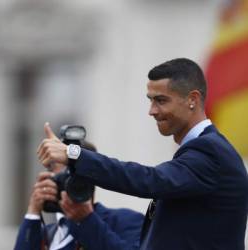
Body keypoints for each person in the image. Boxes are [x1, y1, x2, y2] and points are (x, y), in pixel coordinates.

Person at [37, 58, 248, 250]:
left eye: (161, 100)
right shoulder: (199, 152)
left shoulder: (209, 152)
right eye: (151, 100)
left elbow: (148, 180)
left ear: (192, 99)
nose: (152, 111)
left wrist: (73, 153)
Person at [14, 140, 144, 250]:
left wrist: (87, 220)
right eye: (55, 170)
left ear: (93, 176)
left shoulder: (126, 221)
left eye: (75, 171)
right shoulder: (47, 235)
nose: (73, 179)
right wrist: (33, 212)